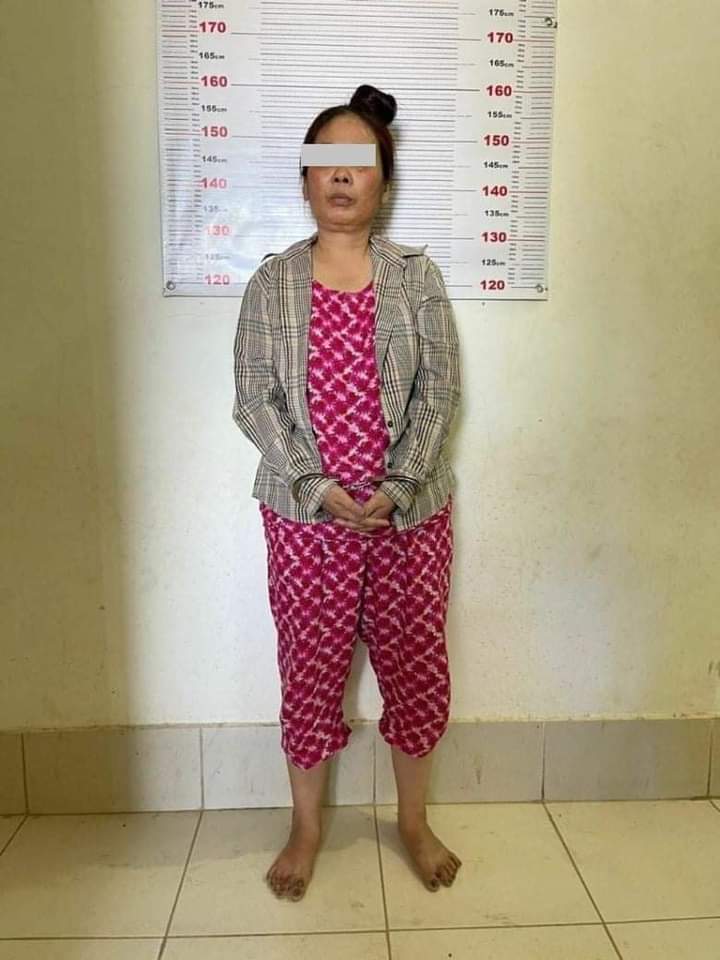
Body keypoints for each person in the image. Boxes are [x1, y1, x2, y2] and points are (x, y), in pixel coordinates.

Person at [232, 84, 462, 902]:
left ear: (382, 184)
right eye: (324, 161)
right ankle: (305, 828)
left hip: (410, 519)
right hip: (306, 522)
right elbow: (254, 399)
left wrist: (399, 486)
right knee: (310, 668)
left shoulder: (417, 279)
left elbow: (439, 393)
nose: (340, 175)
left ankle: (413, 823)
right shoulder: (271, 284)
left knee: (415, 666)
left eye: (358, 162)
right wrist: (317, 485)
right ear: (304, 179)